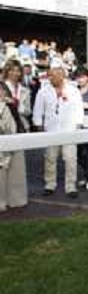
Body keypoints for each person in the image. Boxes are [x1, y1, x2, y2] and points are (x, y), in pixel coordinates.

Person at [32, 65, 84, 198]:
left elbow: (79, 108)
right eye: (49, 75)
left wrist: (78, 124)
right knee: (50, 158)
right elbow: (38, 110)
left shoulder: (73, 90)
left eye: (53, 76)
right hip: (51, 130)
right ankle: (50, 184)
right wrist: (38, 125)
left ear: (62, 76)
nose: (50, 78)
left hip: (69, 129)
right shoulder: (43, 91)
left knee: (71, 158)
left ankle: (70, 186)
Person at [0, 82, 28, 211]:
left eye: (3, 91)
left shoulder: (10, 106)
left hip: (15, 141)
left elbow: (17, 124)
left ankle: (16, 200)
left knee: (15, 173)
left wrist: (11, 106)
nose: (1, 93)